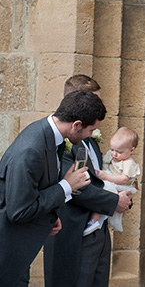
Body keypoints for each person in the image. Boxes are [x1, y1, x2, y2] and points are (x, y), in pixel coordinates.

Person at [0, 90, 101, 287]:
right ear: (76, 125)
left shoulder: (47, 133)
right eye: (90, 130)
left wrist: (50, 217)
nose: (91, 136)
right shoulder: (31, 149)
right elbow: (18, 210)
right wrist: (66, 186)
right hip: (8, 254)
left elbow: (34, 190)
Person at [44, 75, 132, 287]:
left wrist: (123, 195)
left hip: (98, 232)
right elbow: (76, 187)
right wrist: (113, 201)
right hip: (73, 233)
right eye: (95, 101)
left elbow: (98, 179)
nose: (99, 107)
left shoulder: (91, 140)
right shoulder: (61, 142)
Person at [84, 127, 140, 235]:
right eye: (112, 149)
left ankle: (94, 221)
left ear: (131, 150)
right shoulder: (113, 155)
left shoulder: (129, 163)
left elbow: (124, 179)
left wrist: (105, 176)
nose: (114, 154)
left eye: (119, 152)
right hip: (112, 179)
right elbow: (105, 162)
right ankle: (96, 220)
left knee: (104, 190)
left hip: (120, 184)